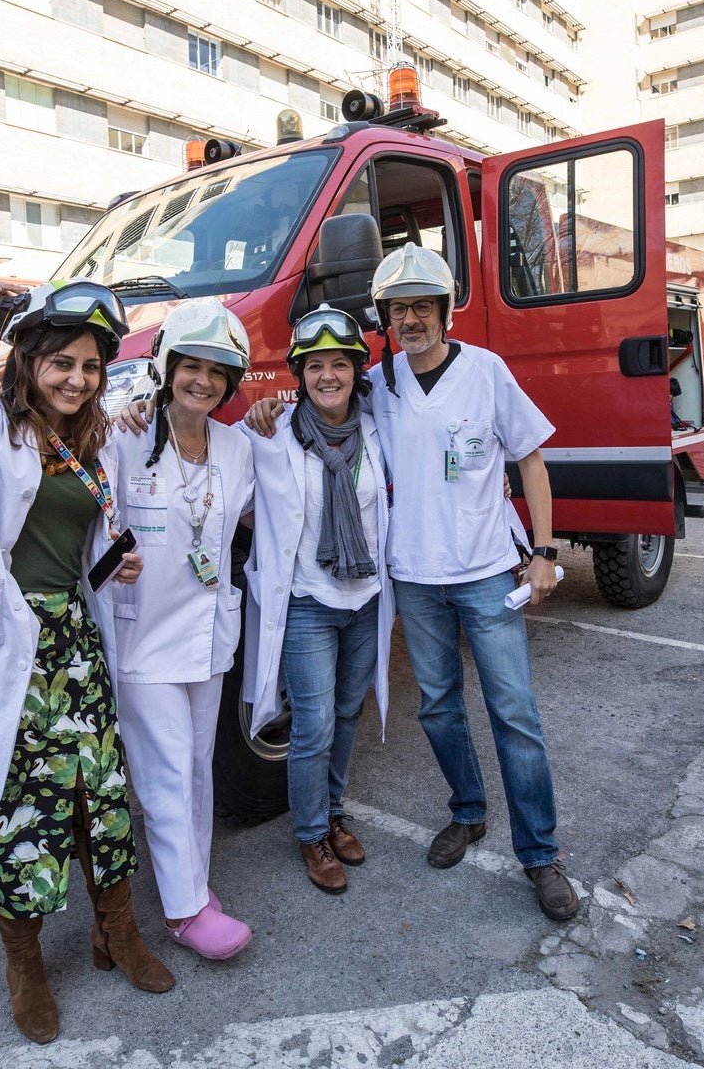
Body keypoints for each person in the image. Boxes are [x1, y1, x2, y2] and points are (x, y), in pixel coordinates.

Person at [247, 245, 578, 921]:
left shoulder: (487, 372)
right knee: (438, 708)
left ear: (445, 309)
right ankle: (468, 812)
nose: (414, 319)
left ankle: (540, 856)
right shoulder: (382, 384)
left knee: (515, 714)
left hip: (487, 574)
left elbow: (532, 462)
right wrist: (262, 411)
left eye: (425, 305)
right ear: (388, 319)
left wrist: (543, 551)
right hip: (414, 580)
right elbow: (318, 397)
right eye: (401, 310)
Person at [0, 279, 169, 1047]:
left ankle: (118, 932)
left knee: (100, 794)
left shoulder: (95, 437)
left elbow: (77, 545)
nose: (77, 379)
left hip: (72, 643)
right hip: (3, 645)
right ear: (28, 360)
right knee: (16, 810)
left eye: (90, 367)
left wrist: (116, 564)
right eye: (62, 363)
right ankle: (25, 963)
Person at [105, 298, 256, 958]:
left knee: (197, 766)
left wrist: (277, 417)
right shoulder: (124, 435)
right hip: (143, 638)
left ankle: (191, 878)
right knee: (165, 770)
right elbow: (94, 527)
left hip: (208, 635)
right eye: (190, 366)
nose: (203, 381)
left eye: (217, 371)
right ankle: (184, 910)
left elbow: (278, 499)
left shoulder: (239, 447)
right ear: (167, 370)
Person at [240, 307, 395, 894]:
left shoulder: (380, 429)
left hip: (368, 597)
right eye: (315, 367)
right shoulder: (271, 431)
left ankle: (332, 812)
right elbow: (208, 454)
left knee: (348, 714)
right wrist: (137, 418)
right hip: (307, 598)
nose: (327, 376)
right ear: (299, 375)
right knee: (315, 722)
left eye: (339, 364)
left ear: (357, 371)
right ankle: (311, 834)